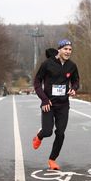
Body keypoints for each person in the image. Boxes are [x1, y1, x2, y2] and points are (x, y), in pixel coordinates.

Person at [33, 39, 79, 170]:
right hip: (49, 103)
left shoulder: (72, 66)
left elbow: (76, 81)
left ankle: (52, 159)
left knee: (60, 133)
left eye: (70, 49)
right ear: (59, 50)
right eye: (65, 49)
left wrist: (74, 88)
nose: (68, 52)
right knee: (47, 132)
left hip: (63, 104)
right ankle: (39, 135)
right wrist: (44, 99)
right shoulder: (47, 64)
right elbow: (37, 82)